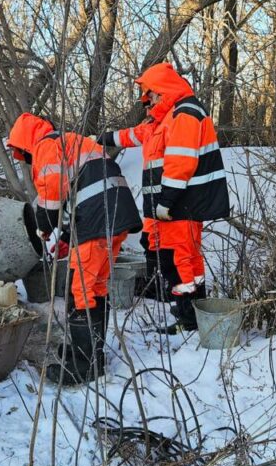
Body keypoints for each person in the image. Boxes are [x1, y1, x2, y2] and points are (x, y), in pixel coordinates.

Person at [7, 113, 141, 385]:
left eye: (21, 153)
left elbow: (53, 193)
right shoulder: (70, 141)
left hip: (98, 218)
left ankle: (85, 364)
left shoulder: (46, 146)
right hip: (113, 216)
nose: (24, 158)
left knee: (81, 290)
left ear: (24, 143)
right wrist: (69, 234)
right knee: (95, 287)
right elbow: (83, 190)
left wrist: (43, 226)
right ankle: (91, 353)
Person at [96, 63, 230, 333]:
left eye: (152, 96)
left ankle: (189, 318)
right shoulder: (162, 120)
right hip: (166, 208)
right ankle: (188, 308)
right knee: (171, 256)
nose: (149, 103)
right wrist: (101, 138)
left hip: (180, 205)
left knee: (181, 259)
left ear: (162, 91)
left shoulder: (185, 115)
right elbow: (134, 135)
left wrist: (167, 202)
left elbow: (181, 163)